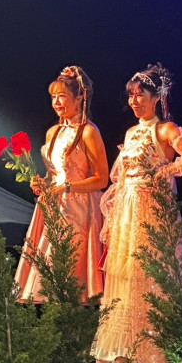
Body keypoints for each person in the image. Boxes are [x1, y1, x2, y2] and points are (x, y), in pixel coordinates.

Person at [92, 63, 182, 363]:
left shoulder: (165, 130)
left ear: (156, 97)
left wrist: (166, 170)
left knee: (150, 278)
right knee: (125, 279)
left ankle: (152, 356)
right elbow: (119, 178)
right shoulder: (131, 133)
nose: (134, 101)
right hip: (128, 212)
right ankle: (124, 354)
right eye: (131, 95)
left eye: (140, 94)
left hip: (152, 212)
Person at [14, 65, 108, 305]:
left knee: (71, 274)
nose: (56, 102)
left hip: (79, 208)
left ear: (79, 98)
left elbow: (101, 179)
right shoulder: (53, 132)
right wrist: (42, 182)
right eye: (53, 97)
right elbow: (54, 174)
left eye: (62, 96)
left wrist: (68, 187)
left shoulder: (88, 132)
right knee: (50, 275)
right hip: (55, 206)